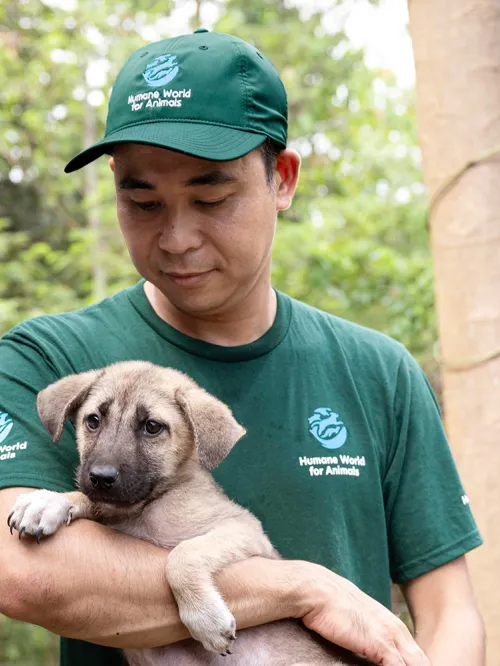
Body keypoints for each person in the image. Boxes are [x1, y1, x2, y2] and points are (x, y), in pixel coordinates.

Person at [0, 29, 485, 666]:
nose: (176, 238)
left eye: (211, 198)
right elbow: (25, 573)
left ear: (281, 180)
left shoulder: (380, 372)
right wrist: (300, 589)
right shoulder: (49, 355)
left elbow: (451, 611)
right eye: (142, 200)